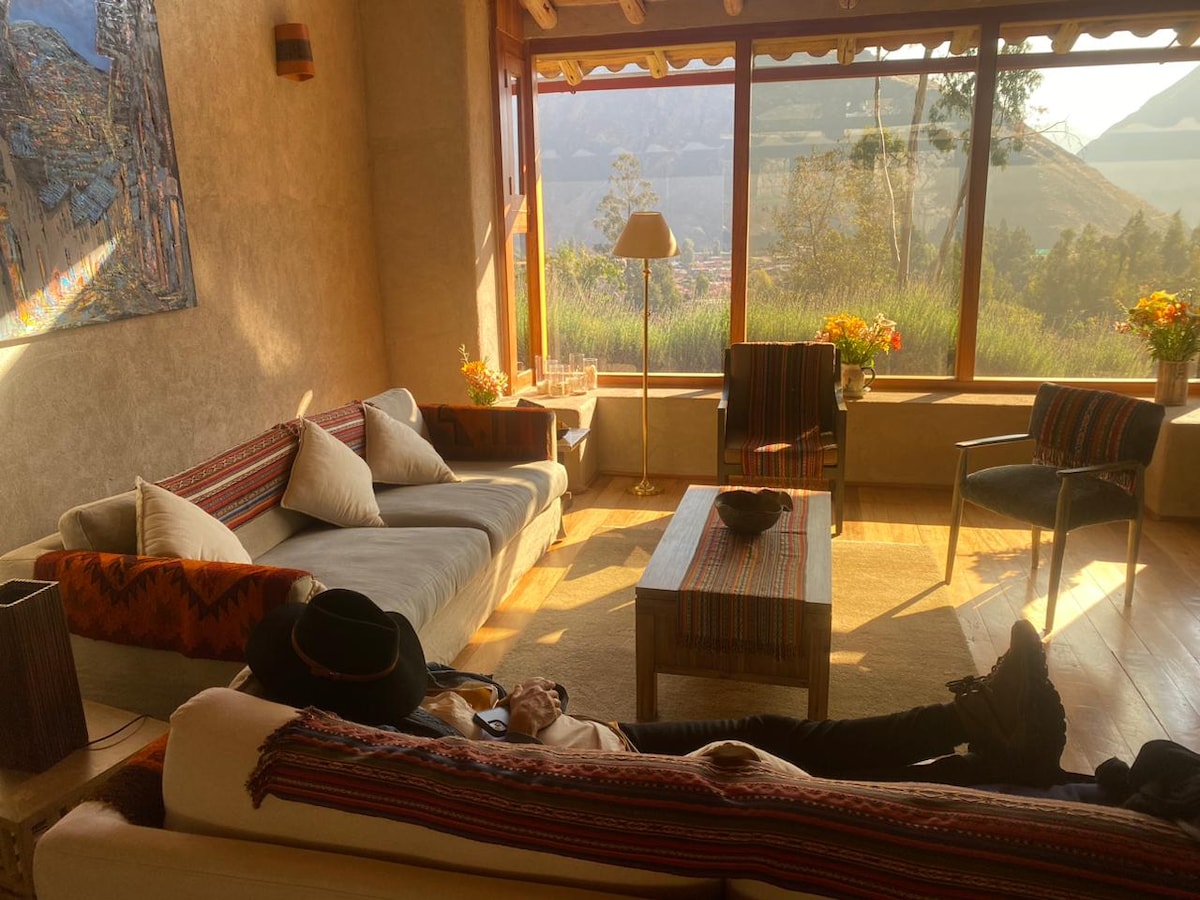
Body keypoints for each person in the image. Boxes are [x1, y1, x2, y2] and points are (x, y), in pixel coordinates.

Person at [244, 589, 1200, 823]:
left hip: (597, 733)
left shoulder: (391, 691)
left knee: (785, 729)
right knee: (816, 772)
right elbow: (492, 765)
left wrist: (533, 695)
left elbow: (479, 701)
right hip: (614, 772)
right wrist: (521, 727)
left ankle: (979, 723)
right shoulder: (375, 740)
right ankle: (1004, 765)